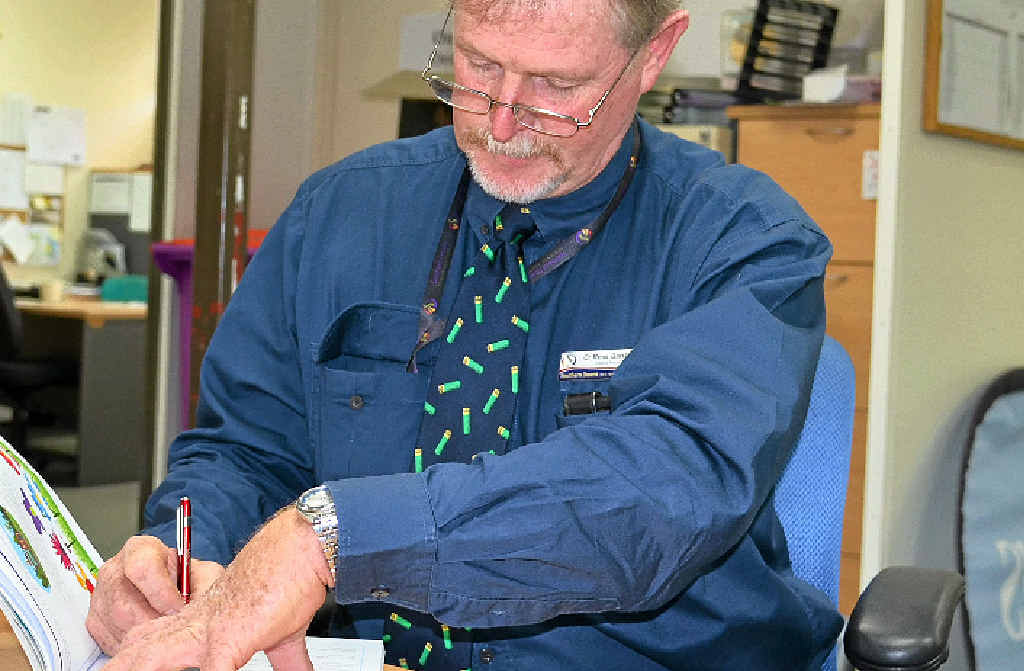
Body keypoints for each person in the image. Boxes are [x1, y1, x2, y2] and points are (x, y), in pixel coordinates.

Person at [91, 1, 844, 669]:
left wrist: (337, 535)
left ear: (654, 54)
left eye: (556, 87)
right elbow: (244, 450)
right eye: (479, 66)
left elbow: (665, 487)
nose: (502, 121)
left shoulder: (745, 239)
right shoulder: (339, 213)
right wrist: (186, 568)